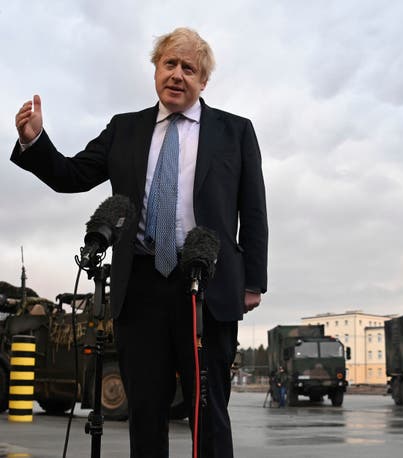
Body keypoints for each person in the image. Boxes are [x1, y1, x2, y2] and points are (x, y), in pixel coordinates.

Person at [11, 27, 268, 458]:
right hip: (141, 285)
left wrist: (253, 281)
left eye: (189, 68)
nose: (178, 75)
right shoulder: (124, 129)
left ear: (203, 81)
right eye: (170, 64)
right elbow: (72, 175)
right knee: (145, 413)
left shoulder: (235, 132)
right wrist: (35, 140)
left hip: (206, 284)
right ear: (155, 70)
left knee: (209, 412)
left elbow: (254, 211)